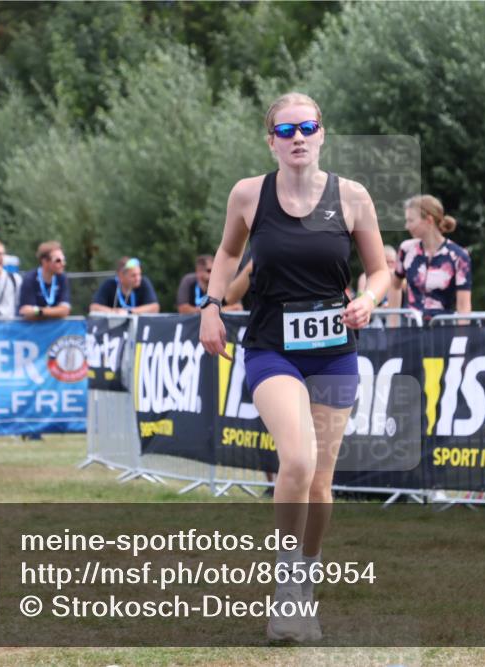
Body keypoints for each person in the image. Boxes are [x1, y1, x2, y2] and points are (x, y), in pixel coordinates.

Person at [199, 92, 389, 642]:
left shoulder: (352, 197)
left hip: (333, 351)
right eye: (286, 131)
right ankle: (285, 591)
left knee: (323, 484)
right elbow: (229, 257)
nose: (298, 137)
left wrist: (370, 300)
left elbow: (379, 271)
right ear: (272, 141)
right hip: (270, 348)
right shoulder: (248, 194)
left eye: (307, 127)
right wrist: (212, 306)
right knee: (298, 460)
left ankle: (305, 585)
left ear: (322, 134)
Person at [386, 195, 472, 321]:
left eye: (411, 221)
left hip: (442, 332)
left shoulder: (459, 256)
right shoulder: (406, 249)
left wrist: (461, 338)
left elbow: (464, 307)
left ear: (429, 220)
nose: (406, 226)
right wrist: (392, 325)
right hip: (409, 330)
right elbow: (395, 286)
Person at [18, 241, 72, 320]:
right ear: (45, 261)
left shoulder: (62, 278)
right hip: (32, 329)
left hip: (55, 329)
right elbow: (27, 313)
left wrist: (39, 311)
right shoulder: (30, 279)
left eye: (63, 260)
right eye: (58, 260)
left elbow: (65, 311)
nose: (63, 264)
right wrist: (56, 312)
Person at [90, 257, 160, 314]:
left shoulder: (143, 282)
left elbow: (154, 307)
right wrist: (115, 313)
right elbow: (94, 308)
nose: (138, 278)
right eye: (133, 275)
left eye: (139, 274)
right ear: (121, 276)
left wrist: (129, 312)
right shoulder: (109, 284)